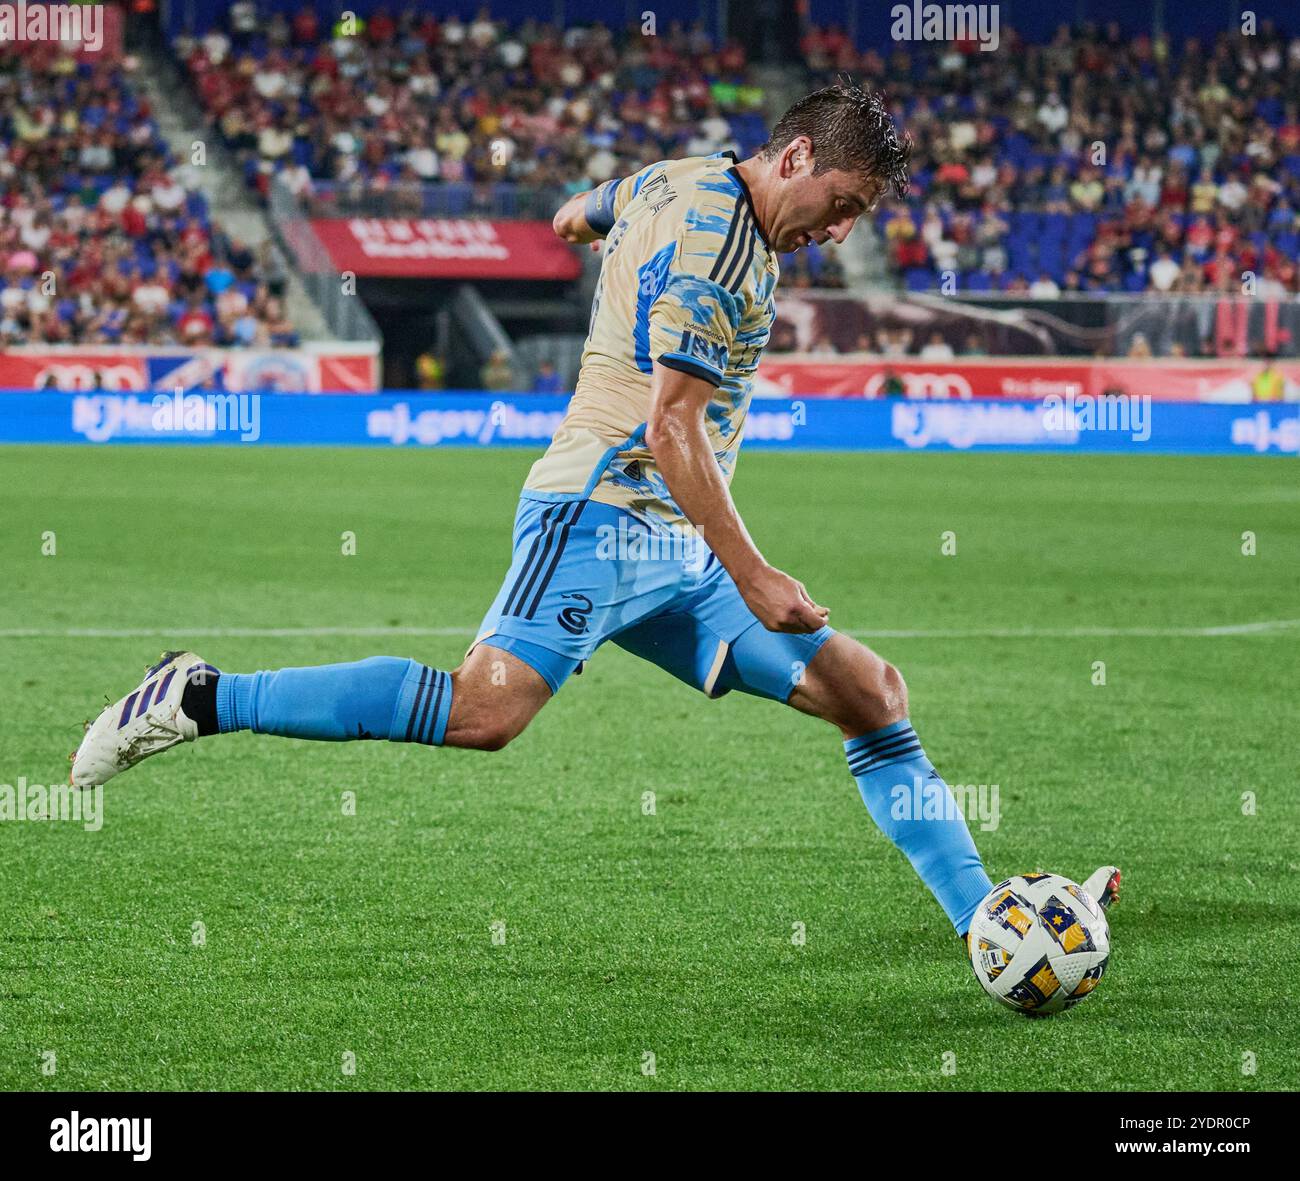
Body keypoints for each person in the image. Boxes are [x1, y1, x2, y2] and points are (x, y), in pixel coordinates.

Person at [71, 85, 1119, 953]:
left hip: (669, 539)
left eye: (860, 219)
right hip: (603, 511)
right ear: (796, 156)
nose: (841, 232)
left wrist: (579, 219)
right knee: (486, 709)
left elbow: (592, 205)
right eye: (840, 202)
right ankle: (202, 695)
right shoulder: (725, 257)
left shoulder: (685, 176)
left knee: (870, 692)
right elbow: (671, 428)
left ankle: (990, 919)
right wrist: (753, 573)